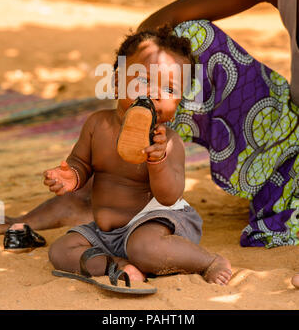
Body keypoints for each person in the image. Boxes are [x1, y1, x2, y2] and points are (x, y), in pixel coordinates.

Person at [0, 0, 299, 250]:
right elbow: (158, 27)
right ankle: (103, 191)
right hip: (287, 131)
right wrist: (130, 93)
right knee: (184, 42)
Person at [44, 26, 232, 286]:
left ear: (178, 104)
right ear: (118, 82)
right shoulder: (97, 125)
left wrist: (158, 161)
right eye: (143, 80)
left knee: (145, 248)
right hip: (106, 231)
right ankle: (119, 265)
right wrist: (71, 175)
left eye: (168, 89)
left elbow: (169, 197)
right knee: (61, 250)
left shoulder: (168, 142)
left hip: (156, 223)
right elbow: (81, 163)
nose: (154, 93)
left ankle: (209, 261)